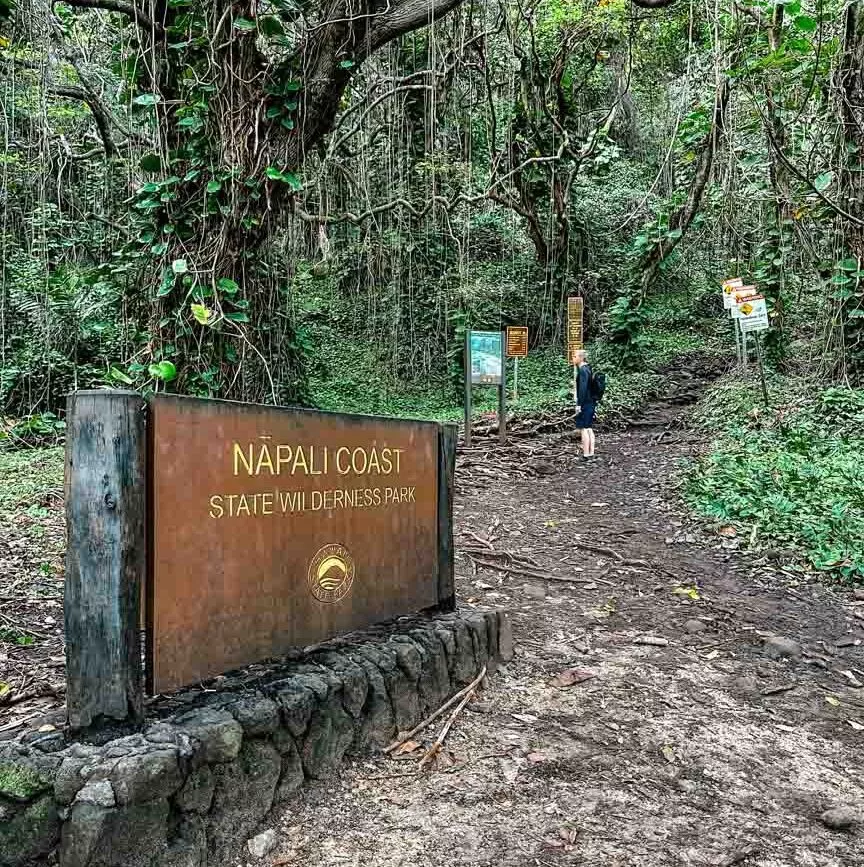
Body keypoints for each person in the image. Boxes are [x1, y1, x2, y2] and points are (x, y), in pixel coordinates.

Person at [573, 350, 596, 460]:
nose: (573, 358)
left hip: (585, 403)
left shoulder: (582, 370)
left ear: (581, 358)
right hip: (591, 402)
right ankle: (591, 453)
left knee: (584, 429)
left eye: (575, 356)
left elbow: (582, 389)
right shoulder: (588, 368)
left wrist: (579, 405)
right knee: (589, 428)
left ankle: (586, 454)